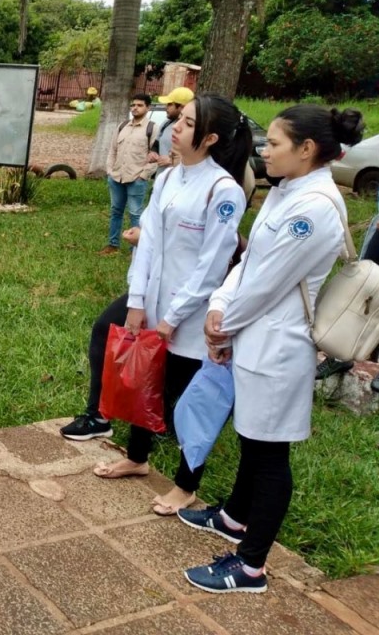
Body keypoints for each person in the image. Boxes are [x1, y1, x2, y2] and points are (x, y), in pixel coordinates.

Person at [181, 104, 363, 594]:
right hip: (253, 335)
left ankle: (251, 565)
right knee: (252, 438)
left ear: (306, 150)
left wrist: (222, 328)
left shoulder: (316, 209)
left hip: (277, 347)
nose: (265, 149)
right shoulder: (286, 192)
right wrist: (221, 304)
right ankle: (236, 517)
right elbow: (249, 260)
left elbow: (267, 283)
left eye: (276, 143)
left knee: (268, 455)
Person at [87, 95, 252, 517]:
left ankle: (186, 484)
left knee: (185, 402)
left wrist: (173, 318)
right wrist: (138, 301)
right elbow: (149, 245)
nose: (175, 125)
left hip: (194, 316)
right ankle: (138, 458)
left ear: (210, 137)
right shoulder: (168, 178)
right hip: (155, 302)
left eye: (188, 122)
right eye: (181, 118)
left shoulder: (223, 190)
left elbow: (212, 267)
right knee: (144, 378)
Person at [102, 93, 157, 255]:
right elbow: (112, 150)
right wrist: (110, 170)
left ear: (148, 107)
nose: (135, 108)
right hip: (117, 176)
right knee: (116, 211)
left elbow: (155, 154)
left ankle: (137, 248)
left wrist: (144, 175)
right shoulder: (122, 126)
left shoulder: (152, 128)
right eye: (133, 105)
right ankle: (112, 244)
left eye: (139, 105)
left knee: (135, 213)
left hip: (136, 178)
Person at [150, 87, 195, 170]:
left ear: (182, 107)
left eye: (170, 104)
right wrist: (153, 153)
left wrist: (171, 160)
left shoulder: (194, 129)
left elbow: (197, 157)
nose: (166, 107)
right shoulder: (166, 123)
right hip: (162, 177)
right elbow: (157, 143)